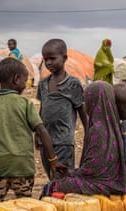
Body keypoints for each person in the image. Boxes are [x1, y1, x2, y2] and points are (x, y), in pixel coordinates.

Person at [0, 58, 68, 204]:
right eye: (25, 80)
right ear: (16, 79)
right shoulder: (25, 104)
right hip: (23, 168)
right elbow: (42, 131)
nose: (25, 84)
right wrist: (53, 160)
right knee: (26, 207)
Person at [41, 81, 126, 197]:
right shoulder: (112, 123)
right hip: (112, 178)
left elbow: (92, 170)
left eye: (86, 100)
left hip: (102, 183)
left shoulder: (97, 129)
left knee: (54, 186)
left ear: (94, 102)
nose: (84, 105)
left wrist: (72, 173)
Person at [36, 38, 88, 179]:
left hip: (63, 142)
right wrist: (37, 134)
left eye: (52, 58)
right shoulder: (43, 84)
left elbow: (82, 111)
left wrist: (89, 134)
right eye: (45, 59)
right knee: (51, 176)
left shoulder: (73, 84)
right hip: (45, 142)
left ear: (64, 58)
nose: (48, 63)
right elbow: (42, 109)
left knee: (62, 179)